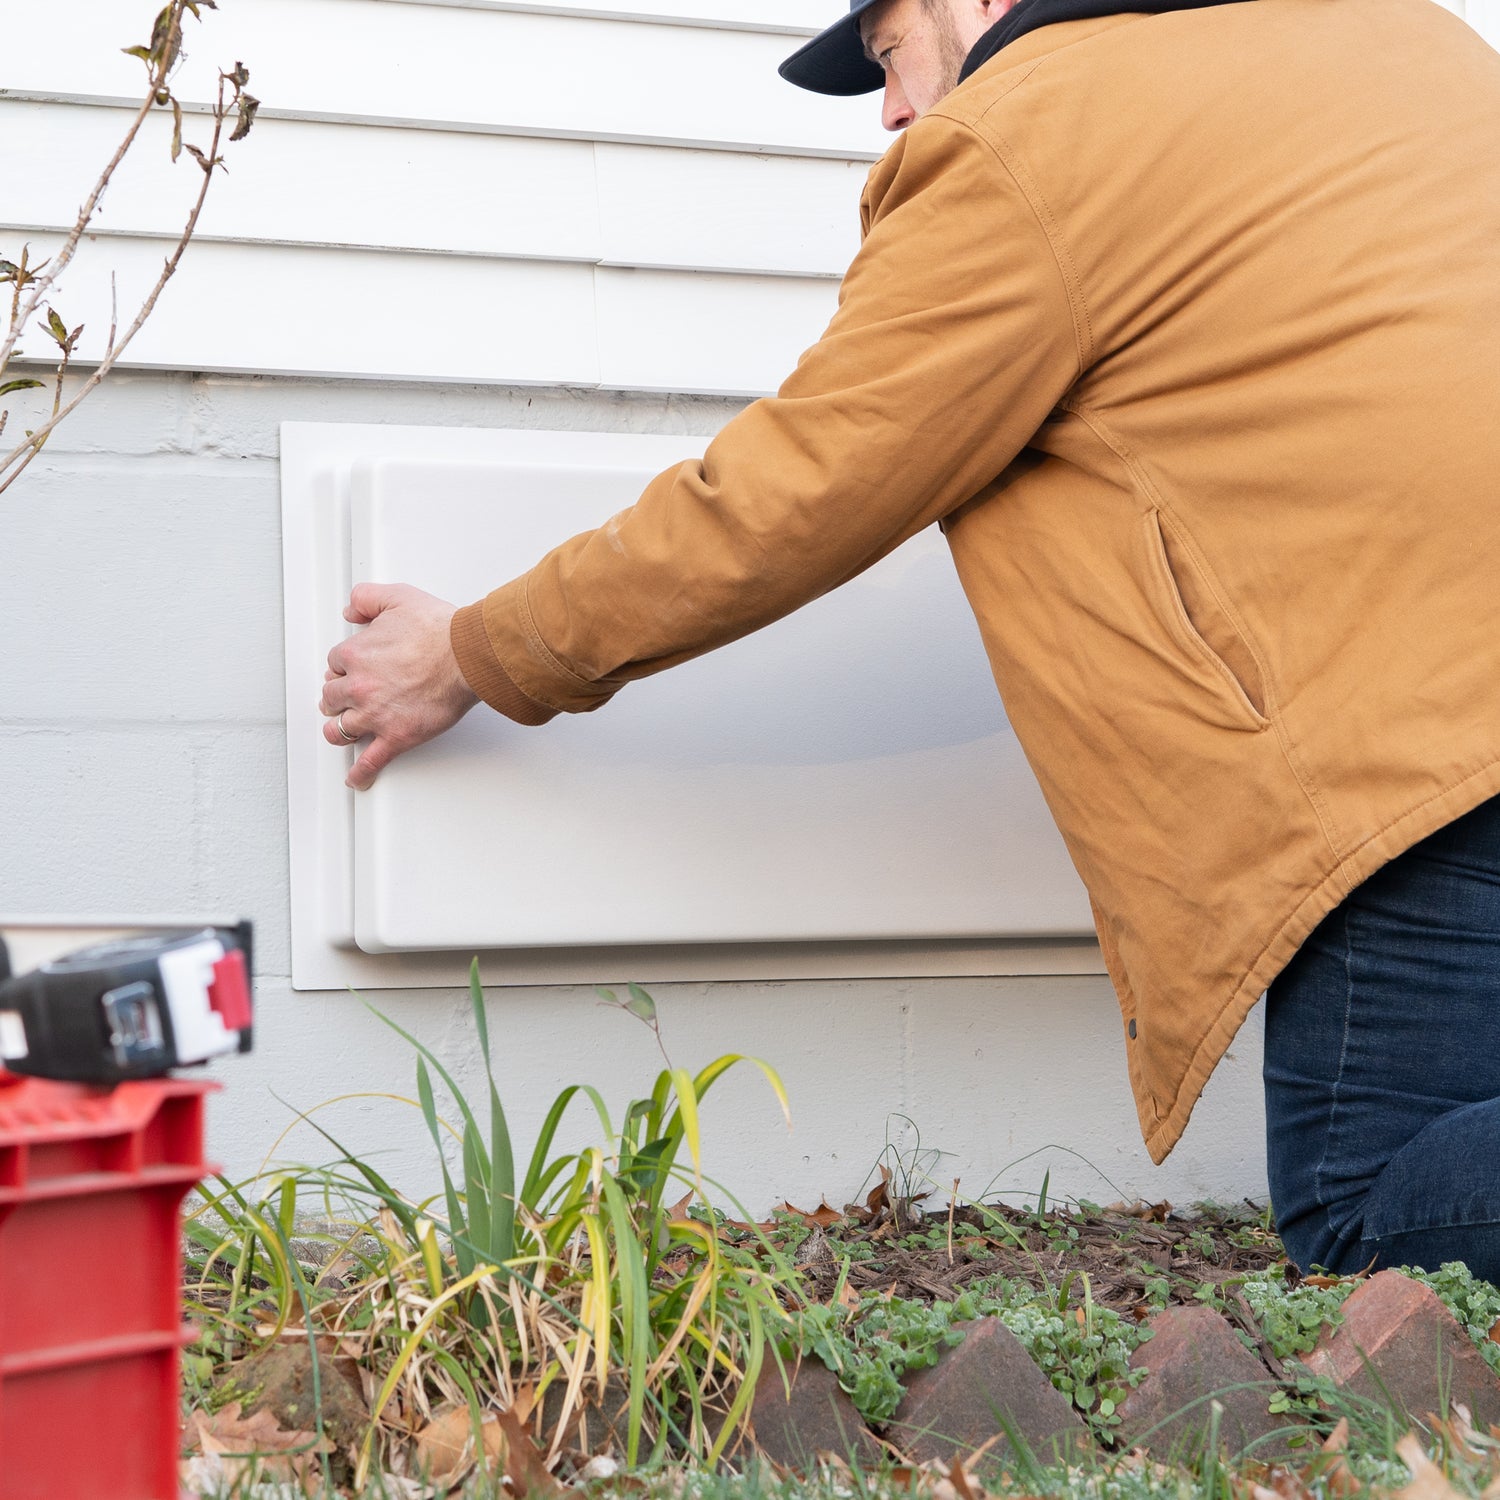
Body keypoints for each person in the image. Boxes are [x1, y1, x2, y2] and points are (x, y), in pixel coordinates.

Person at [321, 0, 1500, 1278]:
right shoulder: (1407, 37)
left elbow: (800, 488)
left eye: (889, 54)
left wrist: (480, 651)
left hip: (1417, 743)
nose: (889, 110)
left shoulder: (1029, 134)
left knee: (1375, 1220)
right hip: (1454, 693)